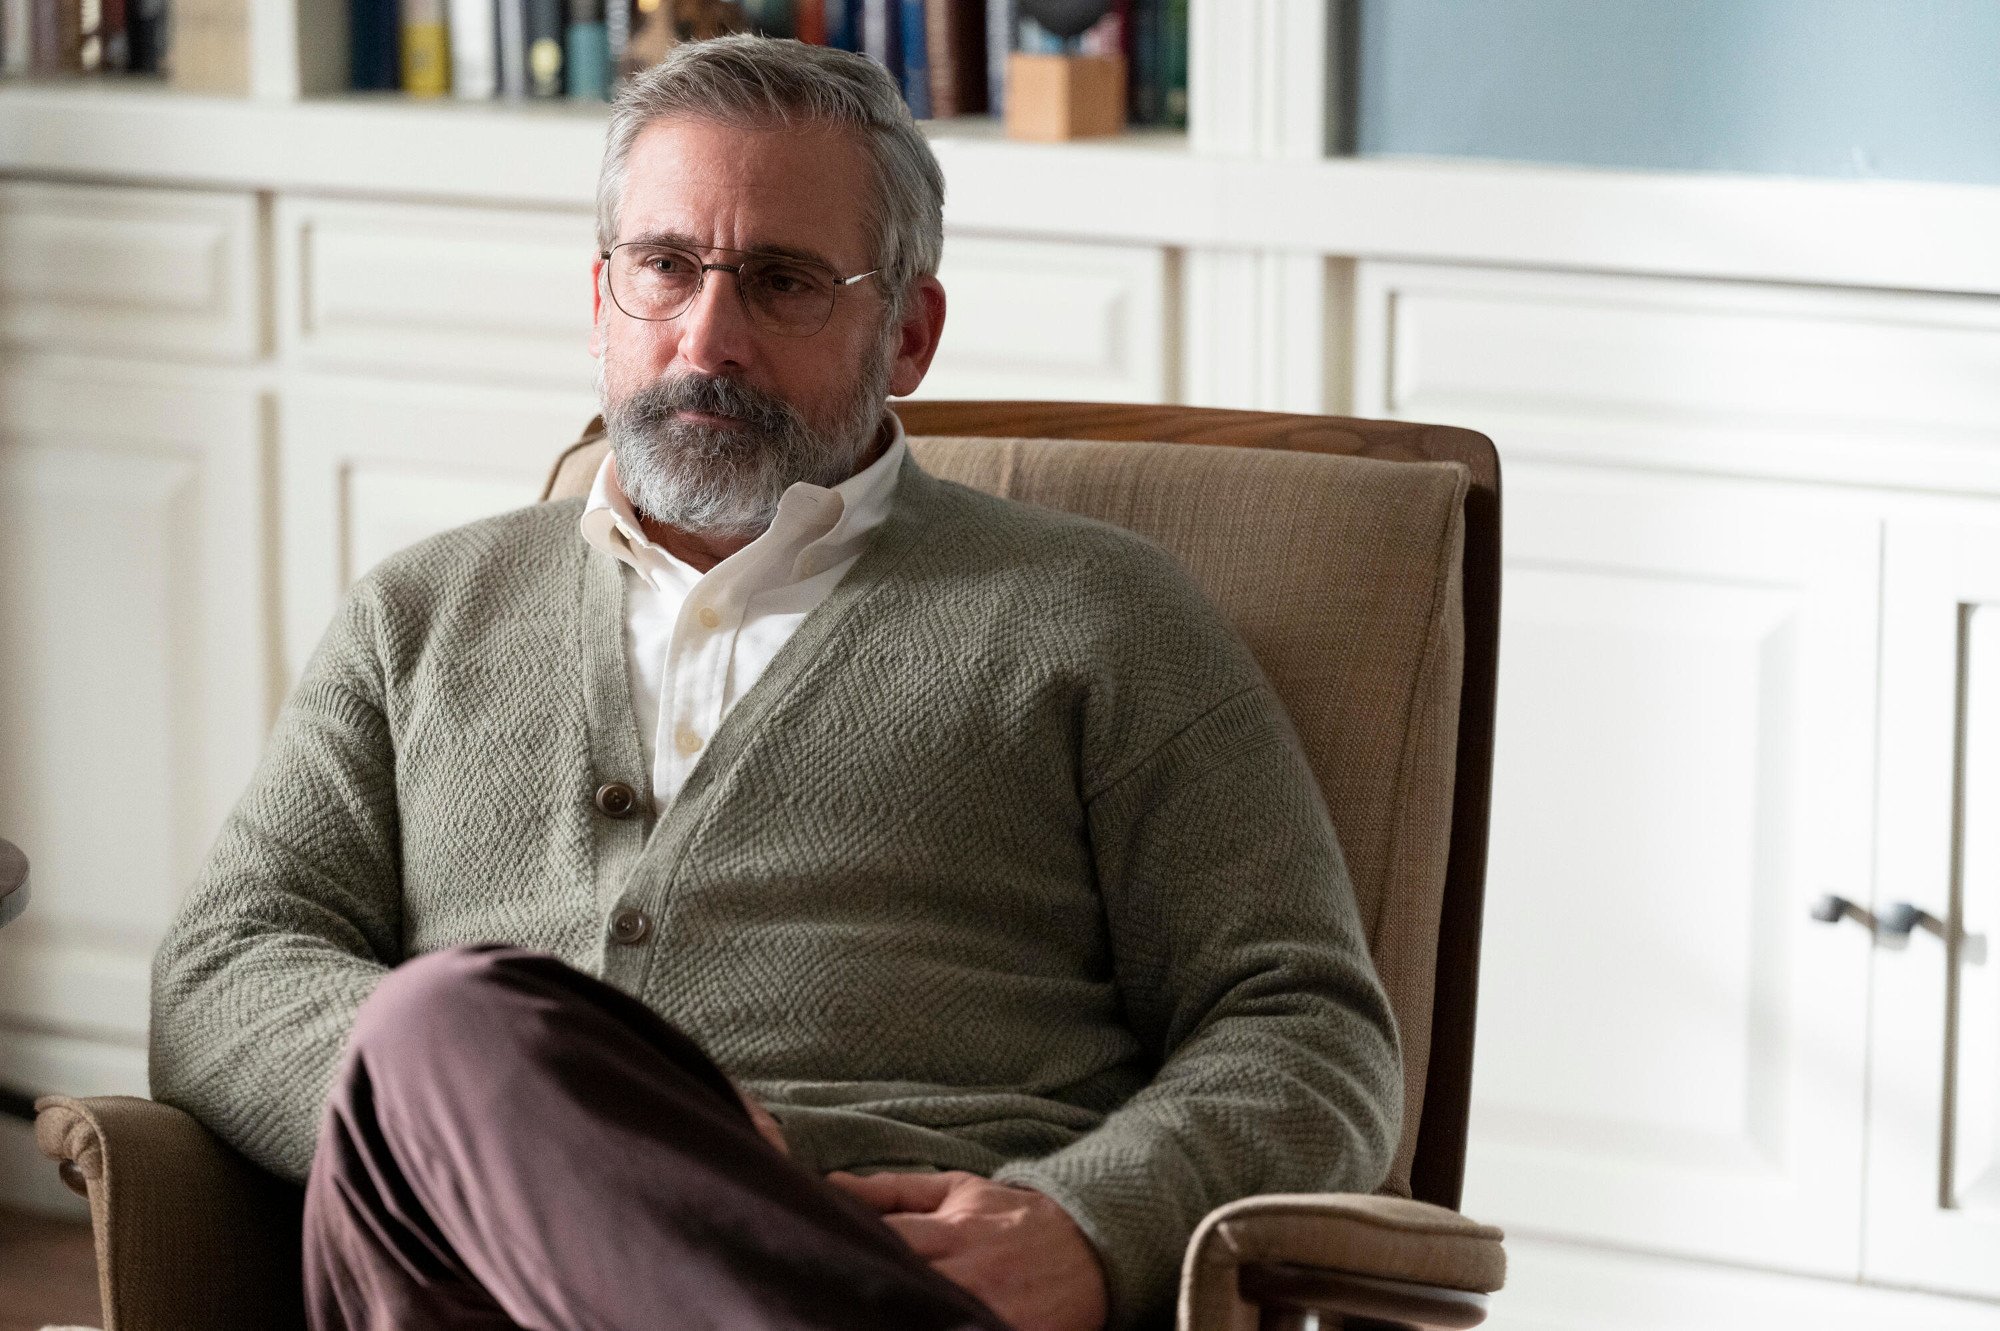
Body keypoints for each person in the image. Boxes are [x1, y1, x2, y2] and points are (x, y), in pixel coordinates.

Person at [149, 34, 1402, 1331]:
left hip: (899, 1234)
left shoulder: (1104, 619)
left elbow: (1307, 1027)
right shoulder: (419, 615)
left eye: (784, 281)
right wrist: (586, 1117)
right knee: (440, 1026)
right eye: (664, 268)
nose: (709, 336)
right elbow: (222, 968)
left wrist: (1093, 1223)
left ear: (907, 333)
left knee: (443, 1029)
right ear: (598, 302)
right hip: (478, 1265)